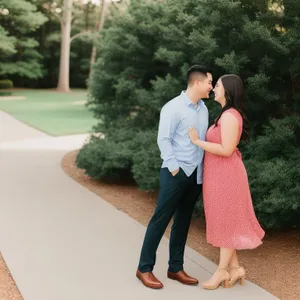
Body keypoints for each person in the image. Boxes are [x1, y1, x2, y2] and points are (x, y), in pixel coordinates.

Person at [136, 65, 213, 289]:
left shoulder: (204, 109)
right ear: (197, 83)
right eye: (209, 82)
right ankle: (144, 268)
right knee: (160, 220)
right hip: (175, 174)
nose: (211, 86)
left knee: (183, 223)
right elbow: (164, 139)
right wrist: (173, 168)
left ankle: (175, 268)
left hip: (195, 175)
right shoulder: (173, 107)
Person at [188, 74, 265, 290]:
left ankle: (221, 272)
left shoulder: (230, 116)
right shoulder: (224, 115)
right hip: (218, 176)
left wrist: (197, 142)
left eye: (218, 86)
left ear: (228, 90)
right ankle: (236, 269)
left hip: (228, 177)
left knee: (228, 221)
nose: (213, 89)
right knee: (224, 220)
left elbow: (226, 150)